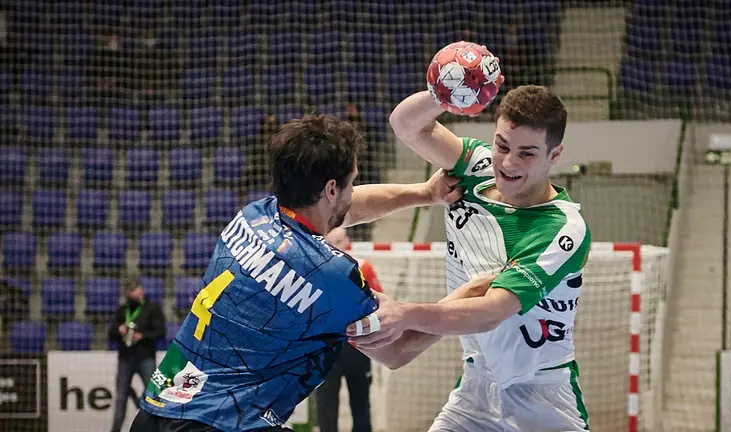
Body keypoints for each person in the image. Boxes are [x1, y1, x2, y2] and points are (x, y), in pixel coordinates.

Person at [130, 114, 483, 432]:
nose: (352, 192)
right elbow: (396, 352)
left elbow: (344, 210)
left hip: (156, 410)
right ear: (330, 189)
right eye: (350, 183)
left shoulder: (253, 215)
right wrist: (468, 293)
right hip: (224, 423)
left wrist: (424, 193)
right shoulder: (334, 275)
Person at [348, 85, 592, 432]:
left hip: (542, 397)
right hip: (477, 388)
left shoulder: (562, 227)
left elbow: (491, 311)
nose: (508, 163)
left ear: (554, 155)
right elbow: (405, 124)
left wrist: (404, 313)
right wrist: (442, 94)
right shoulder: (477, 165)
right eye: (502, 145)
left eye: (526, 154)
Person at [313, 227, 382, 432]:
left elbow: (380, 302)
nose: (336, 246)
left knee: (361, 402)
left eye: (339, 241)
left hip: (358, 345)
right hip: (325, 346)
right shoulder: (315, 271)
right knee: (326, 404)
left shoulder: (363, 267)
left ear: (347, 242)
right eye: (331, 242)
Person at [109, 277, 167, 432]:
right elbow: (111, 334)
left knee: (153, 394)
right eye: (132, 290)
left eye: (136, 289)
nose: (135, 292)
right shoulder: (122, 311)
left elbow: (161, 332)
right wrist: (119, 330)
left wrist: (142, 336)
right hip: (125, 358)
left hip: (145, 357)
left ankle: (159, 428)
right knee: (121, 397)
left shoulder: (152, 309)